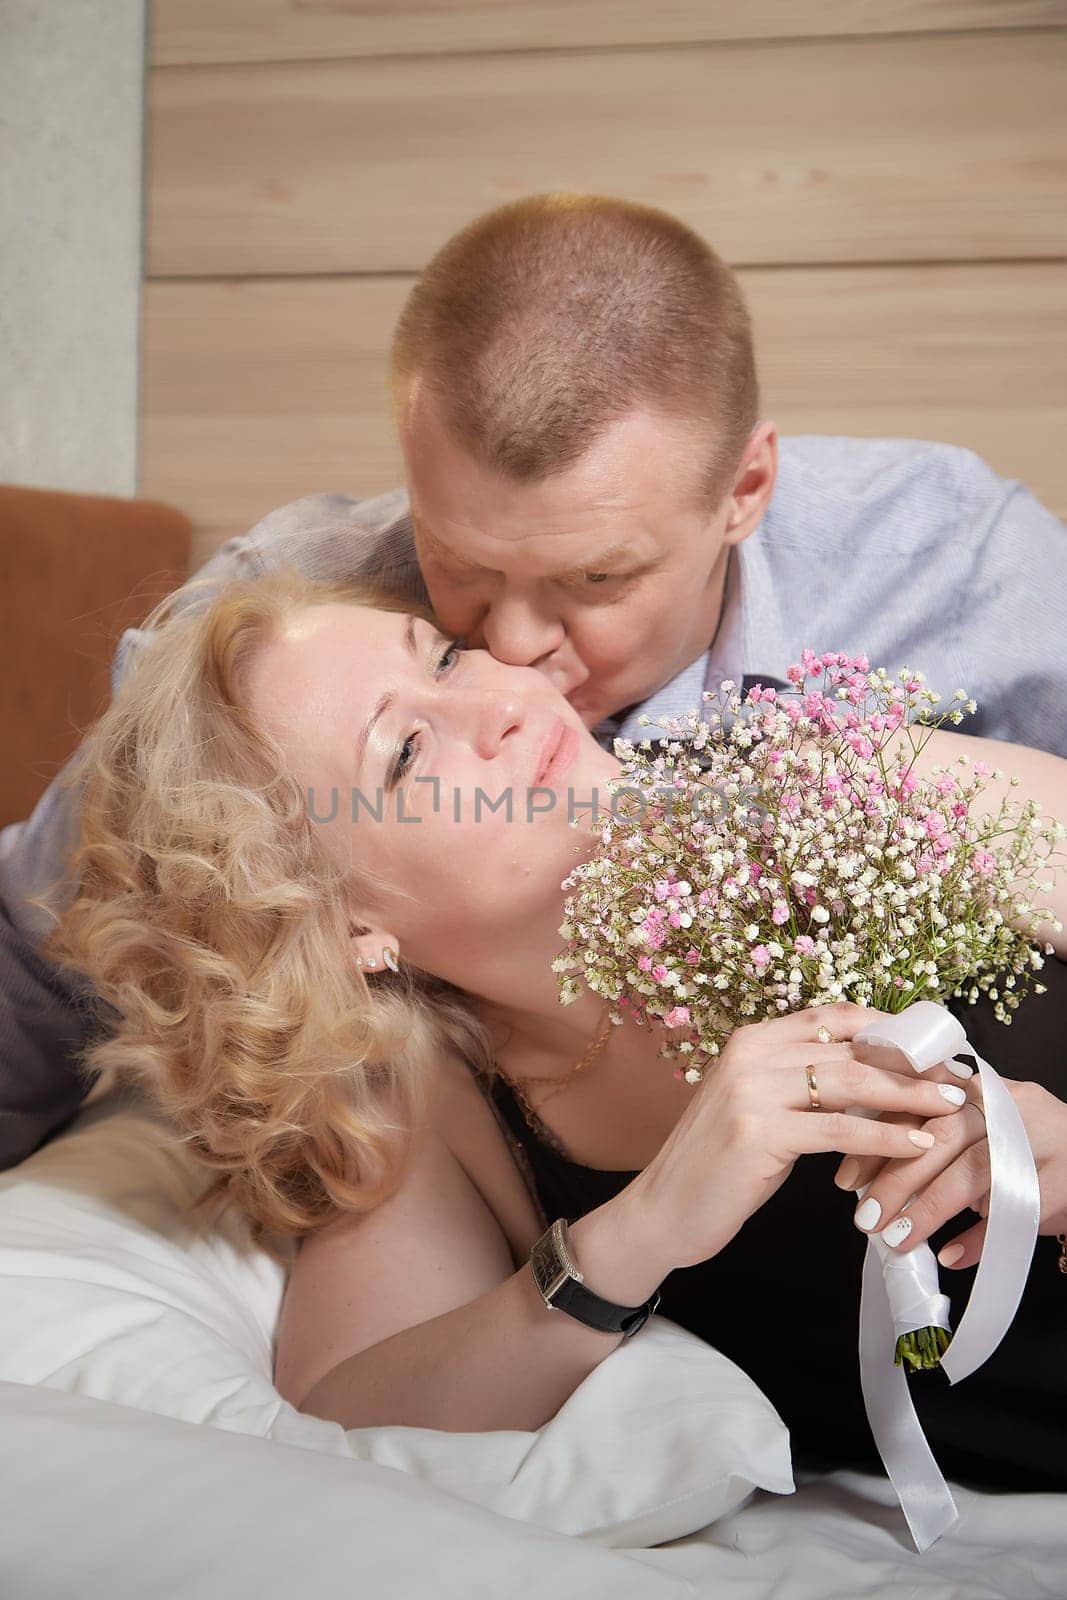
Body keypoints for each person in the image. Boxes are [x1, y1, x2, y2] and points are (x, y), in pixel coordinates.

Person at [2, 193, 1065, 1169]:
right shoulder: (284, 626)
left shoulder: (957, 567)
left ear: (743, 489)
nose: (510, 654)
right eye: (455, 566)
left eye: (594, 578)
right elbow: (35, 955)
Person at [34, 568, 1067, 1494]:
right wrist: (644, 1227)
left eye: (444, 656)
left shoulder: (834, 791)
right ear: (344, 926)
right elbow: (348, 1403)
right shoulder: (439, 1088)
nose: (497, 702)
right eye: (405, 750)